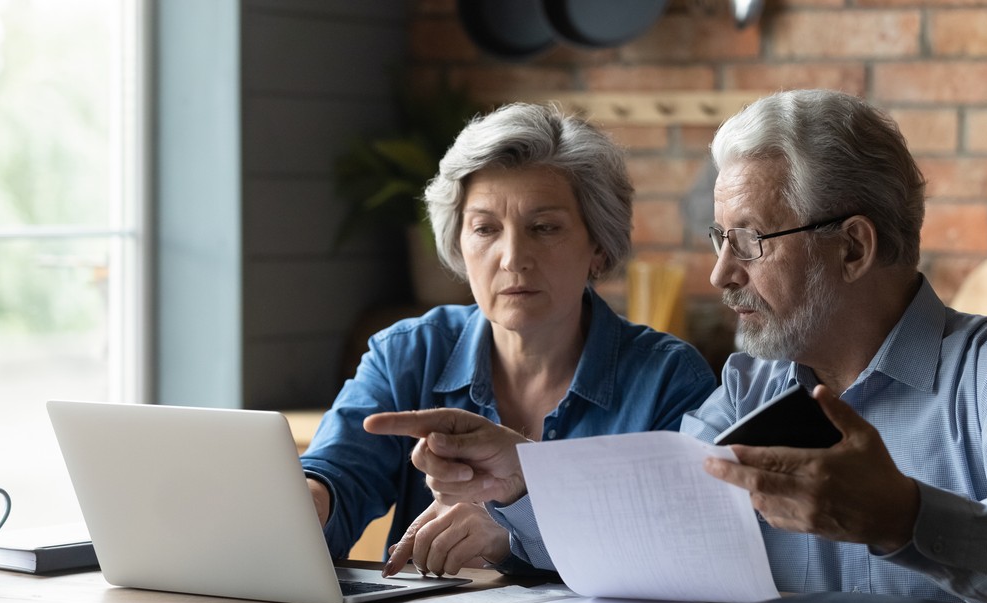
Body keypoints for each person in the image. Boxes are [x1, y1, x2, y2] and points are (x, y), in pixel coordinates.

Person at [367, 90, 987, 603]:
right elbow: (654, 521)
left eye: (750, 242)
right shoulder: (748, 385)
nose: (723, 275)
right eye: (719, 241)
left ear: (853, 247)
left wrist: (905, 517)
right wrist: (523, 478)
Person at [300, 102, 716, 577]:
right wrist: (310, 504)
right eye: (485, 229)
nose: (513, 257)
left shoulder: (668, 379)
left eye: (544, 228)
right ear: (459, 244)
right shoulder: (408, 354)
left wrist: (514, 535)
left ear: (598, 246)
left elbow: (681, 547)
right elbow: (339, 474)